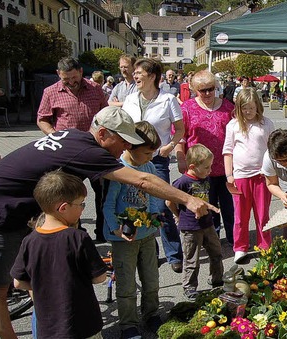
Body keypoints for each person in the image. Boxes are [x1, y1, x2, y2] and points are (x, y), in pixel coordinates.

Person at [0, 106, 211, 338]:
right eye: (123, 141)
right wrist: (187, 199)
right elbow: (143, 180)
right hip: (3, 212)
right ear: (103, 135)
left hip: (30, 211)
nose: (127, 147)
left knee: (40, 285)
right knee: (0, 289)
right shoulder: (91, 152)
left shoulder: (76, 136)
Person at [10, 170, 107, 339]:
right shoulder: (78, 237)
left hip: (48, 326)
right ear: (63, 208)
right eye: (81, 204)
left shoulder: (30, 240)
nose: (83, 209)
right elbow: (99, 277)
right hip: (83, 324)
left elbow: (18, 283)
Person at [103, 121, 177, 338]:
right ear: (129, 147)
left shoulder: (149, 167)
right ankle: (128, 324)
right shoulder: (118, 170)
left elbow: (154, 195)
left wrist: (155, 214)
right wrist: (116, 228)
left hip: (146, 235)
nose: (151, 157)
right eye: (146, 153)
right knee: (126, 283)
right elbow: (108, 204)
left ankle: (151, 314)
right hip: (123, 239)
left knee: (152, 278)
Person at [123, 58, 186, 273]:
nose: (135, 76)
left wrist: (170, 146)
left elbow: (180, 129)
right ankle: (147, 252)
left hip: (157, 159)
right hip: (131, 158)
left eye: (139, 72)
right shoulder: (130, 99)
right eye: (135, 73)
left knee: (160, 207)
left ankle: (173, 254)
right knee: (135, 206)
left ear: (152, 76)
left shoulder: (168, 99)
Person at [36, 57, 109, 242]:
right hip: (67, 153)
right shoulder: (50, 92)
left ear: (81, 72)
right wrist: (54, 135)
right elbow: (42, 119)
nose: (71, 82)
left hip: (94, 150)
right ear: (58, 75)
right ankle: (76, 232)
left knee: (103, 194)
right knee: (69, 196)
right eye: (66, 79)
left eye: (74, 77)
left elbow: (106, 114)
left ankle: (102, 232)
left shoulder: (95, 88)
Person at [177, 70, 236, 245]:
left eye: (210, 89)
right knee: (207, 206)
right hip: (199, 169)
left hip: (225, 166)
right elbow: (180, 136)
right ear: (195, 90)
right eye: (202, 90)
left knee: (229, 206)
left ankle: (234, 238)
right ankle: (212, 239)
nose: (208, 93)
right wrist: (181, 158)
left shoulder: (228, 107)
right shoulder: (187, 108)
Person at [223, 88, 275, 263]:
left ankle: (265, 245)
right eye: (244, 108)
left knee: (262, 214)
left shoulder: (266, 124)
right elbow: (228, 151)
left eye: (251, 108)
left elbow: (272, 148)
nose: (248, 112)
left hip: (262, 175)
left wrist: (273, 172)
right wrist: (229, 175)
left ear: (258, 107)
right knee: (240, 215)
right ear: (239, 108)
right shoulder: (233, 125)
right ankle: (240, 247)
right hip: (240, 176)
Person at [167, 144, 223, 300]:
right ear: (192, 166)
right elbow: (169, 201)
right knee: (192, 259)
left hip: (208, 223)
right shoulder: (183, 182)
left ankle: (217, 279)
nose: (209, 171)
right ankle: (189, 287)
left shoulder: (205, 178)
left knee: (216, 253)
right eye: (206, 167)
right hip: (191, 228)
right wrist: (178, 215)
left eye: (210, 167)